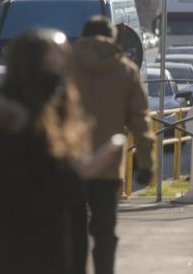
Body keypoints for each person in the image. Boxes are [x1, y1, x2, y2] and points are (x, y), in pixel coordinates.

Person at [0, 29, 91, 274]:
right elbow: (8, 206)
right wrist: (75, 178)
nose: (59, 78)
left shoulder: (56, 120)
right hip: (10, 259)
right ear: (29, 69)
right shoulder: (0, 129)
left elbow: (73, 224)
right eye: (51, 67)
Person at [70, 16, 154, 274]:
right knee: (105, 232)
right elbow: (140, 120)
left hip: (70, 166)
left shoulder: (65, 66)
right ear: (113, 38)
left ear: (82, 37)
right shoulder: (125, 70)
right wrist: (145, 163)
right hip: (108, 167)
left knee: (72, 231)